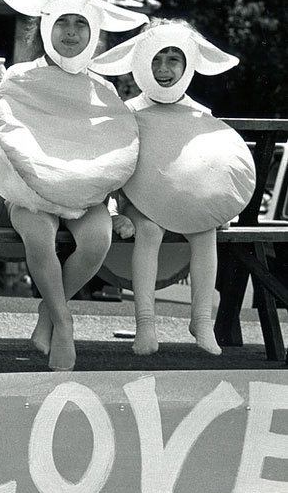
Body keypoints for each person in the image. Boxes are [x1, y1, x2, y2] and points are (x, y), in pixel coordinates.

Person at [0, 0, 147, 371]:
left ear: (95, 32)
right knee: (39, 236)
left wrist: (109, 207)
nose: (72, 33)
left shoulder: (101, 88)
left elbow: (107, 153)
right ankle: (63, 323)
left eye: (82, 24)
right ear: (45, 26)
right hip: (28, 194)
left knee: (97, 241)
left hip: (84, 196)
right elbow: (2, 150)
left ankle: (47, 313)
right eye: (64, 22)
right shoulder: (19, 79)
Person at [91, 18, 255, 356]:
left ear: (188, 63)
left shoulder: (199, 115)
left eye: (173, 58)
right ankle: (145, 323)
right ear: (140, 62)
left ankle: (202, 320)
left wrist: (221, 205)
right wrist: (112, 212)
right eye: (156, 59)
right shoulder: (130, 111)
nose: (164, 68)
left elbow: (208, 166)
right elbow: (110, 168)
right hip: (139, 203)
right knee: (149, 229)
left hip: (184, 202)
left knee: (206, 229)